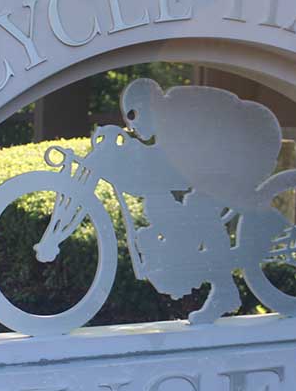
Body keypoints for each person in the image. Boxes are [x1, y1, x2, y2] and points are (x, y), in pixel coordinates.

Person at [86, 79, 284, 323]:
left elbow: (184, 166)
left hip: (255, 140)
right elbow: (173, 163)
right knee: (190, 199)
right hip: (238, 144)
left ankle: (225, 290)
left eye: (134, 116)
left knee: (200, 204)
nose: (134, 126)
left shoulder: (177, 111)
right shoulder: (171, 116)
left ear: (147, 106)